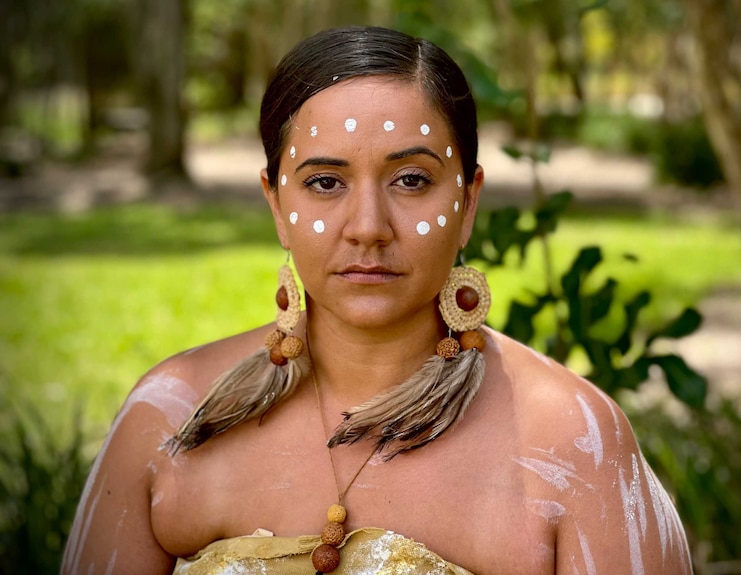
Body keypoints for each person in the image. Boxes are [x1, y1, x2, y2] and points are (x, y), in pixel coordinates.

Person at [62, 26, 692, 575]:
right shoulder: (167, 418)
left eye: (411, 180)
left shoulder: (572, 442)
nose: (367, 226)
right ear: (277, 205)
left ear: (467, 203)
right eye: (325, 182)